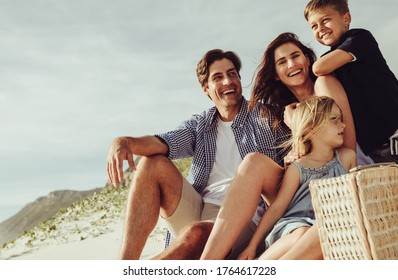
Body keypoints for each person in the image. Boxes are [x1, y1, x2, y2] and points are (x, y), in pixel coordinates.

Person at [106, 49, 290, 259]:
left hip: (247, 218)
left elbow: (301, 142)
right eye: (218, 77)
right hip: (203, 209)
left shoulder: (268, 117)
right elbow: (165, 142)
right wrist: (125, 142)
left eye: (232, 74)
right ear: (206, 89)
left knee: (196, 233)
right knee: (151, 164)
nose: (228, 82)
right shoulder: (201, 125)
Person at [201, 32, 355, 260]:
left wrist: (297, 128)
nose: (292, 65)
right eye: (282, 62)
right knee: (253, 162)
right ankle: (207, 266)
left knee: (316, 230)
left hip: (335, 181)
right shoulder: (280, 110)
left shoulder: (323, 86)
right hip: (300, 192)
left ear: (307, 58)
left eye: (295, 56)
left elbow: (345, 147)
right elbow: (296, 159)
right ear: (275, 74)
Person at [237, 96, 356, 260]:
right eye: (334, 119)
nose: (342, 124)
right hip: (292, 228)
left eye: (340, 119)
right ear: (311, 128)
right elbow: (277, 209)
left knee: (323, 229)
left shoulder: (347, 158)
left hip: (327, 227)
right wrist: (252, 246)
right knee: (304, 232)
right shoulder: (297, 168)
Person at [304, 0, 398, 163]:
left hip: (393, 129)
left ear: (346, 18)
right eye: (314, 26)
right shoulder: (329, 60)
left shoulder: (359, 38)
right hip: (373, 146)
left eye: (325, 20)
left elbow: (319, 68)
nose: (320, 28)